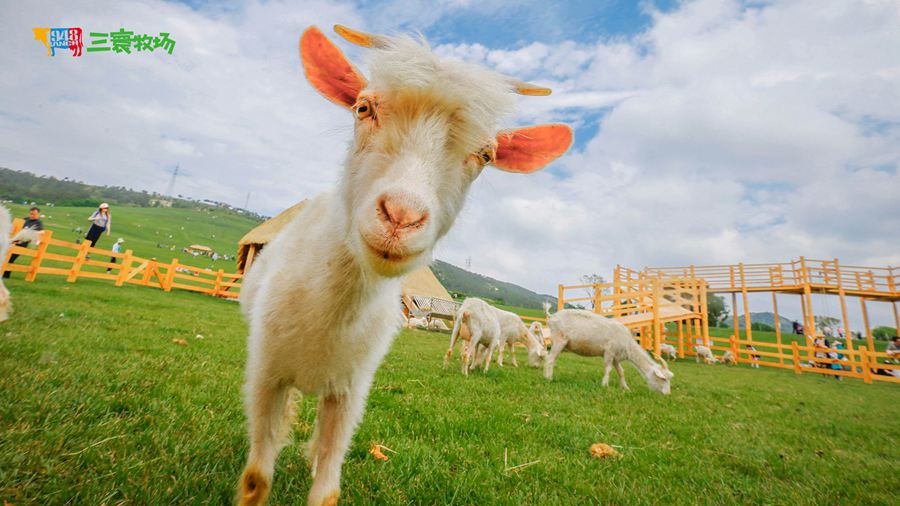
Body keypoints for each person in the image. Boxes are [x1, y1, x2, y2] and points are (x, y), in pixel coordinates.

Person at [3, 207, 43, 279]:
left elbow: (39, 233)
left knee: (11, 258)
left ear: (38, 214)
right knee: (5, 256)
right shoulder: (25, 219)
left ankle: (6, 275)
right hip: (13, 241)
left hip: (21, 244)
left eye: (34, 214)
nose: (32, 215)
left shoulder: (38, 223)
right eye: (31, 214)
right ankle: (4, 274)